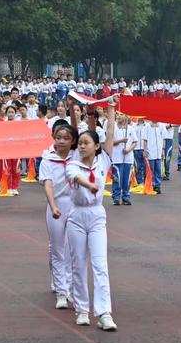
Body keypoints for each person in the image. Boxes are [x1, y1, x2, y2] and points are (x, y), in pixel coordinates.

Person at [65, 95, 118, 329]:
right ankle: (82, 309)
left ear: (96, 146)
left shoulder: (103, 160)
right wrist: (74, 110)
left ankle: (104, 312)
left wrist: (111, 108)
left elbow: (110, 135)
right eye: (80, 143)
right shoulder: (73, 163)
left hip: (96, 215)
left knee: (100, 264)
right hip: (76, 216)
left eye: (87, 142)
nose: (82, 145)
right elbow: (74, 177)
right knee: (78, 264)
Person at [39, 124, 77, 310]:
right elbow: (48, 184)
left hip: (74, 206)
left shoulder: (76, 157)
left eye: (66, 138)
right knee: (57, 248)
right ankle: (61, 292)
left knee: (72, 249)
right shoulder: (48, 159)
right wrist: (53, 206)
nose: (61, 141)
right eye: (58, 137)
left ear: (72, 141)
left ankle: (69, 288)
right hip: (56, 206)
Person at [111, 114, 137, 205]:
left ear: (126, 117)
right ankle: (116, 197)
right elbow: (110, 142)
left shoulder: (130, 129)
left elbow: (135, 142)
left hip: (128, 158)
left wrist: (129, 149)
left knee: (127, 179)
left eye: (121, 115)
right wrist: (121, 141)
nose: (118, 116)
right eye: (117, 114)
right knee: (117, 178)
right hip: (117, 157)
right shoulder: (113, 128)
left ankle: (126, 197)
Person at [143, 120, 167, 194]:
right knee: (151, 169)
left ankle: (158, 185)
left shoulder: (161, 125)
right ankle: (152, 184)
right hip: (150, 151)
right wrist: (145, 150)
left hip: (158, 151)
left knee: (158, 170)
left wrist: (163, 150)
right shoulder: (147, 126)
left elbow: (163, 139)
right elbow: (145, 139)